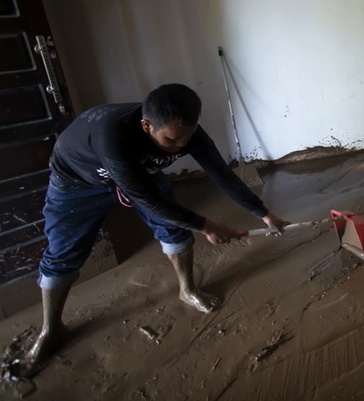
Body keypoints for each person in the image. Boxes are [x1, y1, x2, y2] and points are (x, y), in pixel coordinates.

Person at [21, 83, 289, 372]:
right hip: (78, 180)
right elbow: (146, 200)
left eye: (187, 137)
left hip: (140, 171)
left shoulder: (188, 133)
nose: (181, 146)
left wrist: (264, 213)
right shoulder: (112, 137)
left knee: (174, 229)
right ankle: (51, 329)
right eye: (172, 140)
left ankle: (187, 289)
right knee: (63, 251)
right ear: (146, 126)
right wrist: (206, 225)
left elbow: (222, 174)